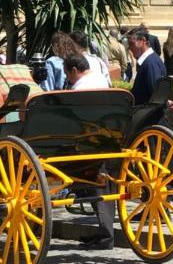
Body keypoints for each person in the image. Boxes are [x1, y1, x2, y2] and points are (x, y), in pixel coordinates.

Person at [65, 53, 115, 251]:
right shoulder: (102, 80)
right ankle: (106, 234)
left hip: (85, 145)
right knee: (103, 184)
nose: (68, 79)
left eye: (67, 74)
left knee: (97, 185)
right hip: (108, 139)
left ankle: (106, 235)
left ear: (75, 71)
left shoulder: (79, 88)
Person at [127, 28, 167, 105]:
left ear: (143, 41)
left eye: (132, 44)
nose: (130, 49)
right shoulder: (150, 61)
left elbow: (155, 95)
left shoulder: (150, 63)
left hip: (149, 115)